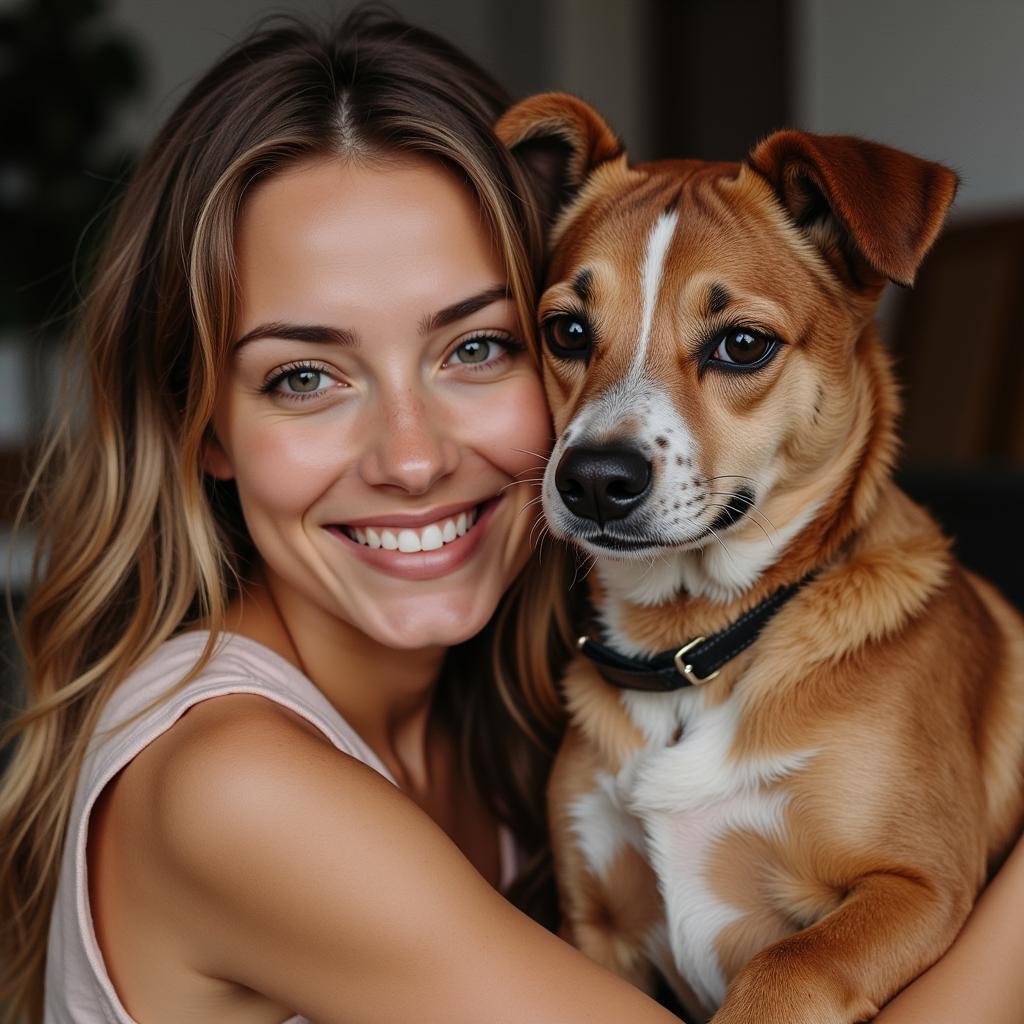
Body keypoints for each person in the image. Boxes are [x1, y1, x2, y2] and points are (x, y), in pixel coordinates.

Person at [0, 10, 1020, 1024]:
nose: (412, 457)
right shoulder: (232, 790)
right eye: (304, 374)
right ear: (202, 420)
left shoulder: (512, 696)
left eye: (474, 348)